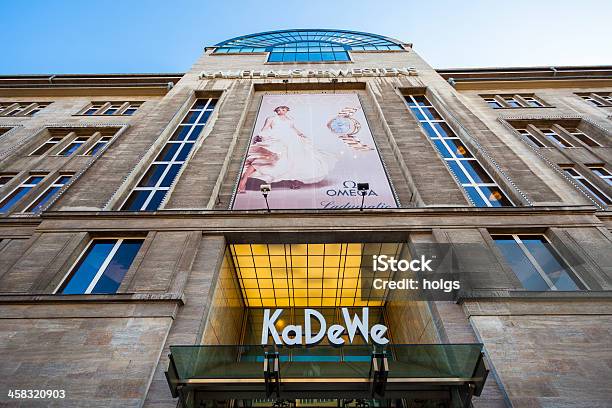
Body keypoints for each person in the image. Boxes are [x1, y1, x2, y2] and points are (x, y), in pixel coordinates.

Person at [237, 105, 336, 193]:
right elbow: (265, 128)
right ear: (276, 111)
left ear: (286, 110)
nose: (281, 110)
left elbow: (293, 128)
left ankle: (294, 180)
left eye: (283, 109)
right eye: (278, 109)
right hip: (277, 139)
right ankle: (243, 180)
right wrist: (260, 136)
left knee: (294, 159)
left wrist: (301, 134)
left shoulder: (290, 120)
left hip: (292, 140)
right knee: (266, 159)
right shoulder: (271, 118)